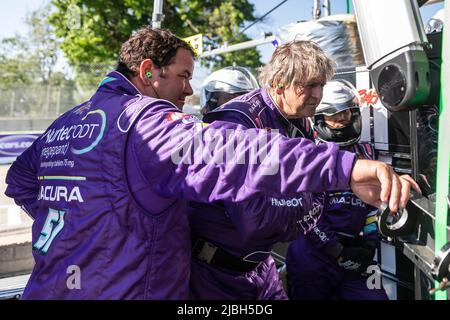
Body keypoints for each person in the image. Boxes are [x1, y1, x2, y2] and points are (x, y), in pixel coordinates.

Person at [5, 28, 417, 300]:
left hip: (55, 285)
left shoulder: (70, 120)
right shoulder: (143, 121)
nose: (189, 91)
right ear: (149, 72)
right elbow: (238, 154)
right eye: (183, 77)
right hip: (131, 287)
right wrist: (343, 170)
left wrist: (85, 222)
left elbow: (21, 179)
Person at [188, 42, 416, 299]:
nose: (318, 95)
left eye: (321, 85)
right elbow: (255, 219)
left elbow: (313, 194)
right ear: (279, 83)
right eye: (309, 85)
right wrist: (308, 205)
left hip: (260, 268)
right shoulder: (237, 119)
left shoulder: (299, 121)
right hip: (217, 274)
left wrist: (301, 201)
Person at [286, 80, 389, 300]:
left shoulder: (368, 152)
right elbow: (306, 213)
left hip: (359, 255)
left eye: (347, 113)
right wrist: (337, 251)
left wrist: (369, 245)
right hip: (313, 256)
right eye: (334, 116)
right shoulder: (307, 154)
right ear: (320, 119)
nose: (343, 119)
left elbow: (374, 204)